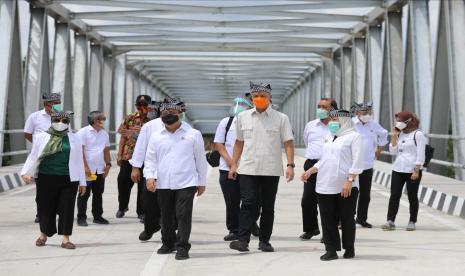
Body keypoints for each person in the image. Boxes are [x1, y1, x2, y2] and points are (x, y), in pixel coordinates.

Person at [229, 82, 295, 253]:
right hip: (248, 168)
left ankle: (264, 241)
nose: (259, 99)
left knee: (268, 206)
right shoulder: (242, 117)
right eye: (255, 96)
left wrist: (290, 165)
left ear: (270, 98)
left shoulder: (281, 118)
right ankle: (243, 240)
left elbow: (288, 142)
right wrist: (233, 165)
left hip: (271, 169)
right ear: (251, 98)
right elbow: (239, 142)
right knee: (248, 203)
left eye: (263, 96)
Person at [143, 101, 208, 260]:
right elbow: (150, 159)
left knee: (183, 215)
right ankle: (168, 243)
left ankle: (183, 247)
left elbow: (200, 159)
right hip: (163, 182)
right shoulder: (156, 136)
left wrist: (202, 182)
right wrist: (150, 176)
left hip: (187, 181)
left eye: (172, 112)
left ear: (180, 113)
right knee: (166, 215)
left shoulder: (193, 134)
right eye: (165, 113)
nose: (168, 115)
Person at [302, 109, 364, 261]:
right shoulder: (329, 137)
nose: (331, 122)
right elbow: (324, 159)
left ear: (344, 121)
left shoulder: (354, 137)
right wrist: (312, 169)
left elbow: (357, 161)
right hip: (325, 184)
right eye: (331, 119)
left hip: (345, 186)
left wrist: (349, 180)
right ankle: (331, 249)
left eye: (335, 120)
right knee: (327, 218)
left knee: (347, 218)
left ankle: (349, 248)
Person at [20, 110, 86, 249]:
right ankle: (43, 234)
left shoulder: (75, 138)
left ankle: (66, 239)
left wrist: (83, 182)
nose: (60, 123)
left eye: (64, 121)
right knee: (44, 207)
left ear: (68, 123)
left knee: (67, 208)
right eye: (57, 120)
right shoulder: (41, 137)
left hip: (69, 179)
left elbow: (79, 161)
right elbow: (33, 156)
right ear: (52, 121)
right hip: (46, 177)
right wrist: (25, 172)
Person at [130, 98, 192, 241]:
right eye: (166, 110)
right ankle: (150, 227)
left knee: (172, 206)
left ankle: (168, 233)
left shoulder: (188, 129)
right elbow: (140, 147)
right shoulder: (150, 126)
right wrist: (135, 168)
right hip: (153, 172)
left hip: (176, 173)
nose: (168, 113)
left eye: (172, 110)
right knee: (148, 201)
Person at [214, 97, 259, 241]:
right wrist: (230, 162)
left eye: (243, 105)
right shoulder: (226, 122)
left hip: (249, 167)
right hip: (226, 168)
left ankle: (250, 223)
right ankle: (234, 229)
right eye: (237, 105)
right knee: (232, 201)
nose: (239, 107)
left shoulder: (255, 122)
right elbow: (219, 144)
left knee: (253, 200)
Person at [299, 98, 337, 240]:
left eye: (324, 107)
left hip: (330, 165)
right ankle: (311, 229)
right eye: (319, 106)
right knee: (307, 199)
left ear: (332, 109)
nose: (320, 109)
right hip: (311, 164)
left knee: (327, 200)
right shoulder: (310, 125)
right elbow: (306, 141)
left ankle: (328, 233)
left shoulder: (337, 126)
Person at [382, 111, 425, 231]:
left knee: (412, 196)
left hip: (412, 170)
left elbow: (421, 154)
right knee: (394, 195)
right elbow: (393, 152)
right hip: (398, 169)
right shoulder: (400, 133)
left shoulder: (418, 134)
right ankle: (390, 221)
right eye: (397, 121)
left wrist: (416, 170)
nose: (398, 123)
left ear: (409, 121)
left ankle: (412, 221)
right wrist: (394, 136)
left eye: (400, 121)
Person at [24, 92, 63, 223]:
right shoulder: (35, 117)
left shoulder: (63, 117)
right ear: (47, 104)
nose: (58, 105)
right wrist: (38, 145)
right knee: (41, 188)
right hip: (42, 158)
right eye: (55, 103)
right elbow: (28, 134)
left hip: (58, 157)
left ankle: (55, 210)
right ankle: (40, 213)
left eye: (59, 102)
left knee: (58, 186)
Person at [352, 103, 388, 228]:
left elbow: (384, 133)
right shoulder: (351, 124)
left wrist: (380, 148)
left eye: (369, 113)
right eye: (364, 113)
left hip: (367, 163)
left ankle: (361, 219)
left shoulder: (373, 124)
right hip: (352, 164)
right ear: (357, 113)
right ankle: (346, 218)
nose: (367, 115)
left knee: (365, 194)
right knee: (350, 192)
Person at [116, 95, 152, 220]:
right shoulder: (129, 118)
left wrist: (140, 132)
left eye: (144, 105)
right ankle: (122, 207)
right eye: (139, 105)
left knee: (142, 186)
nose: (141, 108)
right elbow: (123, 137)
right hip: (128, 156)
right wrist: (119, 154)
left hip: (144, 158)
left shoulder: (153, 121)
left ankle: (141, 211)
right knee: (123, 182)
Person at [76, 111, 111, 226]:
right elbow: (79, 151)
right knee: (84, 193)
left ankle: (98, 216)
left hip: (99, 169)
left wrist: (108, 165)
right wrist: (85, 167)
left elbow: (106, 150)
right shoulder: (83, 132)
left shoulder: (104, 134)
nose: (104, 120)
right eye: (102, 118)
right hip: (87, 169)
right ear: (95, 120)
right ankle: (81, 217)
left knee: (98, 193)